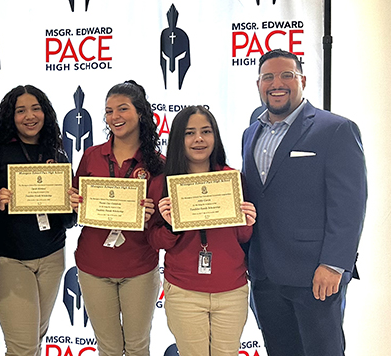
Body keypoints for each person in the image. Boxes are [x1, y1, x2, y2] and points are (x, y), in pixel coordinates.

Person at [241, 49, 367, 356]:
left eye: (287, 75)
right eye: (268, 77)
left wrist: (334, 264)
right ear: (259, 83)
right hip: (265, 275)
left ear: (303, 81)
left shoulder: (335, 129)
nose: (277, 83)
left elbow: (350, 205)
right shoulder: (250, 132)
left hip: (315, 275)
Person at [148, 106, 257, 356]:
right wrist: (170, 226)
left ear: (215, 137)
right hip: (185, 292)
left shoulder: (232, 179)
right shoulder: (162, 183)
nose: (199, 139)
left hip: (231, 290)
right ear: (178, 139)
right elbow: (155, 240)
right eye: (190, 133)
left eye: (206, 131)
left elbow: (241, 238)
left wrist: (247, 222)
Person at [68, 80, 162, 356]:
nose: (114, 117)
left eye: (122, 109)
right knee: (108, 348)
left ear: (141, 113)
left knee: (137, 346)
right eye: (109, 111)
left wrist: (153, 215)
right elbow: (75, 207)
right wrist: (74, 203)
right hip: (93, 265)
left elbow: (165, 225)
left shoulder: (159, 163)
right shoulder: (92, 156)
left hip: (139, 266)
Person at [0, 85, 75, 356]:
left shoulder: (57, 155)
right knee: (23, 346)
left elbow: (69, 220)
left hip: (51, 256)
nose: (30, 116)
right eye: (20, 110)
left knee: (34, 337)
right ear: (9, 117)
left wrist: (71, 203)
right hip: (8, 258)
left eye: (36, 108)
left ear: (45, 113)